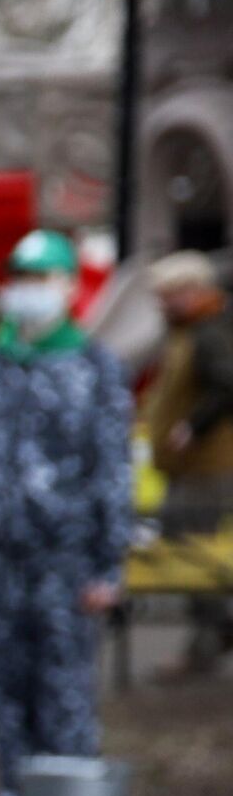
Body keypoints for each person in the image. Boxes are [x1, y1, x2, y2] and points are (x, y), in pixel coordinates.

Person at [0, 230, 133, 796]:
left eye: (41, 278)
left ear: (68, 287)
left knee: (65, 693)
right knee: (5, 696)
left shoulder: (93, 368)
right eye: (19, 277)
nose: (27, 290)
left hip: (66, 561)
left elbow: (111, 469)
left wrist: (107, 563)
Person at [140, 250, 233, 677]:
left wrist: (193, 427)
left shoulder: (209, 332)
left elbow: (225, 385)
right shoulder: (186, 331)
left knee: (196, 556)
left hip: (207, 468)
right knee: (191, 550)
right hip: (188, 467)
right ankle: (212, 637)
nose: (163, 302)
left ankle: (210, 642)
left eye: (171, 293)